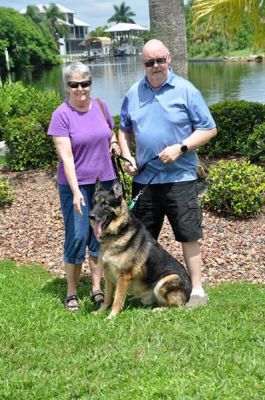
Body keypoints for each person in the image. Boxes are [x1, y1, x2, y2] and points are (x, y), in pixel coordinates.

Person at [118, 39, 217, 309]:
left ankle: (196, 290)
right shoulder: (134, 92)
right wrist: (127, 157)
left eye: (160, 60)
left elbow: (208, 129)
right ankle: (142, 290)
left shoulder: (186, 90)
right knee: (140, 238)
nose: (156, 66)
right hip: (145, 181)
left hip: (180, 179)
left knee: (188, 234)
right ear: (143, 64)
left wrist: (181, 148)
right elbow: (124, 128)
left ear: (169, 58)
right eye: (149, 62)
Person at [47, 62, 120, 312]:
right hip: (76, 187)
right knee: (77, 237)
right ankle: (71, 292)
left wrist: (114, 145)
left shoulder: (100, 106)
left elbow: (110, 132)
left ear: (91, 83)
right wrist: (77, 191)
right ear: (66, 87)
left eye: (85, 84)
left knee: (99, 237)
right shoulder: (61, 115)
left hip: (104, 184)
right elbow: (66, 157)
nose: (80, 89)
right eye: (74, 85)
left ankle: (97, 288)